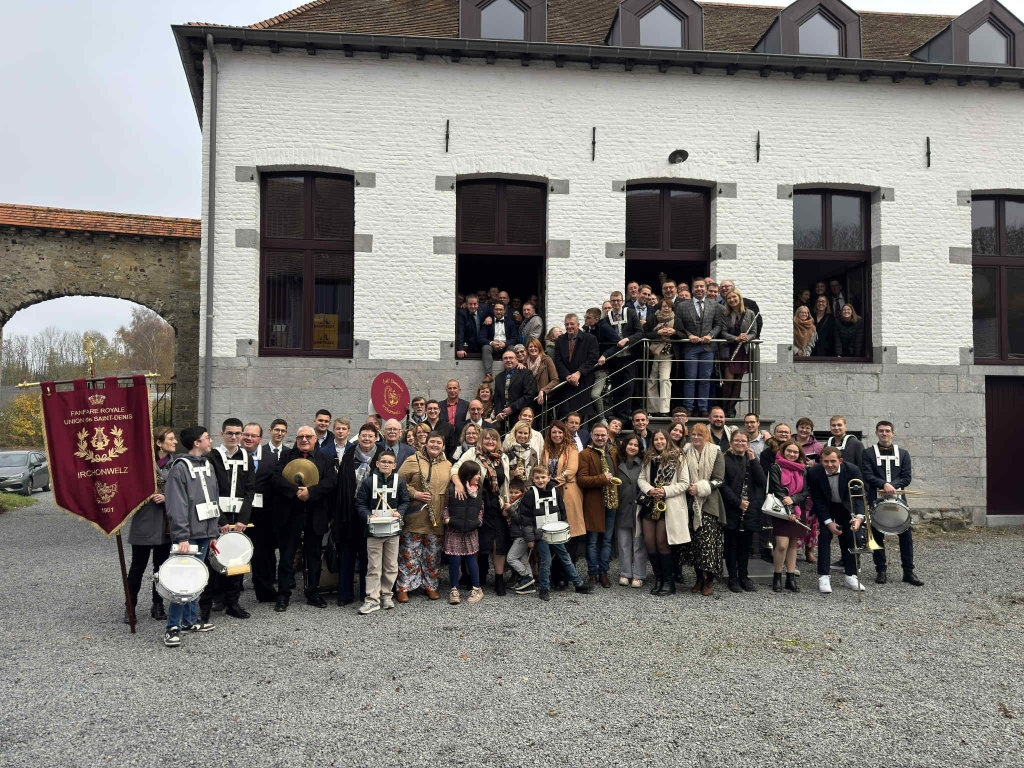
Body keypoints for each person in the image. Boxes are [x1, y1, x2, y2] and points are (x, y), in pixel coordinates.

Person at [162, 426, 220, 646]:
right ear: (197, 442)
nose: (210, 441)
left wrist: (213, 532)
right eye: (207, 438)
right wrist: (182, 537)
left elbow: (213, 498)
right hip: (188, 535)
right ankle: (172, 627)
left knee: (196, 579)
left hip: (205, 532)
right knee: (182, 581)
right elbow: (177, 504)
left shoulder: (207, 464)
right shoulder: (180, 467)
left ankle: (189, 621)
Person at [272, 426, 338, 611]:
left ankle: (313, 593)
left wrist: (311, 492)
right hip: (290, 515)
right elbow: (276, 478)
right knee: (287, 557)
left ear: (315, 439)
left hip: (315, 514)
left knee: (314, 556)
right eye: (300, 436)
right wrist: (295, 492)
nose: (304, 439)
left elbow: (331, 481)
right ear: (296, 439)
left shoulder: (325, 459)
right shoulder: (286, 456)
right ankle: (283, 595)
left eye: (308, 436)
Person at [201, 418, 256, 621]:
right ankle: (211, 601)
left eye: (237, 433)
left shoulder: (246, 456)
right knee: (213, 559)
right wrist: (221, 520)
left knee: (237, 558)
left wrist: (243, 519)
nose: (234, 437)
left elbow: (250, 490)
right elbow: (208, 490)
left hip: (238, 518)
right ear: (222, 434)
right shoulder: (211, 457)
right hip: (217, 517)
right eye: (230, 433)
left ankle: (233, 602)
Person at [517, 465, 594, 601]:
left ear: (548, 478)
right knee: (546, 560)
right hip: (540, 534)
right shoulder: (529, 495)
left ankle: (578, 584)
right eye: (537, 478)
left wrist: (565, 528)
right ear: (533, 479)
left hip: (556, 532)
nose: (540, 480)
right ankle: (544, 588)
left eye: (543, 477)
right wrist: (530, 538)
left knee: (565, 557)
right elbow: (526, 519)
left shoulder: (555, 491)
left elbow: (562, 511)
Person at [450, 428, 512, 595]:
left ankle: (499, 579)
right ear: (481, 440)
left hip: (497, 505)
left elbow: (505, 483)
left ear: (498, 442)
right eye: (487, 438)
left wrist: (507, 503)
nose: (490, 441)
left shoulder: (503, 457)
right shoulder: (472, 454)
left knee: (498, 543)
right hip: (477, 503)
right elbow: (455, 469)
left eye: (494, 439)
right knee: (476, 543)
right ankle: (473, 579)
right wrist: (458, 484)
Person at [862, 421, 923, 587]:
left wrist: (891, 486)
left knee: (905, 535)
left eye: (887, 431)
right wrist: (883, 484)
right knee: (877, 535)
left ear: (892, 433)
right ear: (876, 433)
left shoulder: (903, 454)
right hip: (876, 499)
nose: (884, 433)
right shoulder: (867, 453)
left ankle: (908, 572)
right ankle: (881, 570)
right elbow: (867, 474)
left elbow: (906, 477)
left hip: (899, 500)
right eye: (881, 431)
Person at [125, 426, 175, 624]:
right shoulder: (141, 465)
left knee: (161, 567)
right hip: (144, 520)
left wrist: (167, 497)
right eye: (170, 439)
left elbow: (184, 491)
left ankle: (158, 604)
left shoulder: (177, 464)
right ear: (159, 443)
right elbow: (128, 489)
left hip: (166, 523)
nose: (175, 442)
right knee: (137, 567)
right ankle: (130, 606)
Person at [355, 449, 412, 614]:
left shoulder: (399, 482)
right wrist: (367, 515)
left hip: (392, 531)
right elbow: (360, 502)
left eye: (390, 462)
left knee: (391, 565)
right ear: (377, 463)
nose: (386, 465)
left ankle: (386, 595)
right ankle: (372, 599)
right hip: (374, 531)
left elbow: (405, 501)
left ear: (394, 465)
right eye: (383, 462)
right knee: (374, 566)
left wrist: (400, 512)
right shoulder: (369, 482)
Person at [396, 431, 450, 602]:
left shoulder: (448, 465)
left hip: (436, 519)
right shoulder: (412, 460)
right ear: (426, 443)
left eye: (439, 443)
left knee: (432, 556)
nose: (435, 445)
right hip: (415, 517)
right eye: (432, 442)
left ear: (443, 446)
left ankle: (430, 586)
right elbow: (398, 481)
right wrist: (415, 493)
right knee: (409, 554)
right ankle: (404, 587)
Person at [637, 429, 690, 596]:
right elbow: (641, 479)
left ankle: (669, 582)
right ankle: (658, 579)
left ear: (667, 440)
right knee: (649, 542)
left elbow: (684, 483)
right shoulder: (649, 458)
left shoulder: (679, 457)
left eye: (662, 439)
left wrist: (665, 491)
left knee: (662, 542)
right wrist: (650, 490)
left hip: (669, 506)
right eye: (656, 439)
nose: (659, 442)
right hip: (650, 504)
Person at [808, 446, 866, 594]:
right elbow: (818, 500)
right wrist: (828, 522)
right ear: (821, 461)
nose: (829, 465)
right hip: (827, 507)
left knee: (854, 537)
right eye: (826, 461)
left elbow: (859, 496)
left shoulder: (852, 470)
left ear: (840, 460)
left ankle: (851, 575)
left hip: (847, 507)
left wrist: (859, 518)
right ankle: (824, 575)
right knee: (824, 537)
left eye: (833, 461)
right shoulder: (814, 472)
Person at [334, 424, 377, 606]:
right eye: (364, 435)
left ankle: (367, 594)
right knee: (347, 554)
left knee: (369, 556)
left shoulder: (380, 456)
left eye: (370, 436)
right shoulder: (349, 455)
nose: (366, 439)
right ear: (358, 437)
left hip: (371, 513)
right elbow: (341, 485)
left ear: (376, 438)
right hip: (349, 512)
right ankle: (344, 594)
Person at [720, 431, 766, 593]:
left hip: (749, 508)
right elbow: (722, 484)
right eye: (737, 441)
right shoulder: (724, 459)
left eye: (743, 441)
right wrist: (737, 502)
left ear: (748, 443)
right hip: (732, 507)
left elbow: (762, 481)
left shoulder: (751, 459)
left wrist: (753, 461)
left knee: (745, 546)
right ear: (731, 443)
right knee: (731, 545)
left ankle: (744, 577)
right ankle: (733, 578)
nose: (740, 444)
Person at [683, 424, 725, 596]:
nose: (696, 437)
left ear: (706, 436)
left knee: (708, 543)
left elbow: (719, 479)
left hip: (710, 502)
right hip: (691, 502)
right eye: (693, 434)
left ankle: (710, 580)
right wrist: (688, 487)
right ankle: (699, 578)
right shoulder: (686, 452)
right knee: (695, 544)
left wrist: (699, 488)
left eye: (699, 435)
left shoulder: (716, 452)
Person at [241, 422, 280, 604]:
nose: (249, 438)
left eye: (253, 436)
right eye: (246, 434)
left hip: (262, 515)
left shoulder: (271, 458)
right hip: (237, 514)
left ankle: (264, 591)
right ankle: (228, 594)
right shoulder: (233, 456)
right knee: (235, 552)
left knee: (262, 554)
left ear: (260, 439)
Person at [674, 278, 726, 417]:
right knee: (690, 378)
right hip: (690, 347)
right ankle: (689, 408)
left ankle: (703, 408)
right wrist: (689, 335)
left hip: (708, 347)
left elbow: (718, 324)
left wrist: (711, 335)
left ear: (705, 289)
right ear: (692, 289)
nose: (699, 289)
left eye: (702, 286)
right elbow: (678, 325)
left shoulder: (714, 305)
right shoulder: (682, 306)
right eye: (696, 286)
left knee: (705, 378)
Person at [541, 420, 585, 582]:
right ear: (550, 434)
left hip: (567, 492)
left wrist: (552, 482)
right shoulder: (546, 449)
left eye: (560, 432)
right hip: (550, 495)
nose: (557, 435)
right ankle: (555, 575)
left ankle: (567, 576)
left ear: (564, 433)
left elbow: (571, 470)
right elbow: (542, 468)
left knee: (569, 534)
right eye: (554, 432)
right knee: (553, 533)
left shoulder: (571, 448)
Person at [578, 424, 619, 587]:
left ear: (608, 436)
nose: (600, 438)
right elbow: (581, 479)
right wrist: (602, 479)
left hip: (611, 503)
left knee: (607, 540)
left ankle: (603, 572)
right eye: (597, 435)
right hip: (594, 504)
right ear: (591, 436)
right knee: (592, 541)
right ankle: (592, 573)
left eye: (603, 435)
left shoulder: (613, 452)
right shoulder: (584, 454)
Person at [768, 440, 812, 593]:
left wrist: (794, 500)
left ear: (800, 454)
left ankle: (790, 578)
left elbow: (806, 491)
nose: (792, 454)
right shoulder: (776, 467)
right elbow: (777, 489)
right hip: (781, 509)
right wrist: (790, 510)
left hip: (798, 508)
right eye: (789, 451)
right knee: (781, 545)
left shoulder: (803, 470)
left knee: (793, 544)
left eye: (795, 452)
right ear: (783, 451)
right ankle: (777, 577)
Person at [443, 461, 486, 604]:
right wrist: (447, 520)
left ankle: (477, 589)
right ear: (468, 474)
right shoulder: (451, 489)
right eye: (476, 474)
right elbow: (445, 506)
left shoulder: (478, 491)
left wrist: (478, 521)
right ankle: (454, 589)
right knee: (454, 559)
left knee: (471, 559)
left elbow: (481, 509)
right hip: (454, 530)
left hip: (471, 530)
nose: (478, 477)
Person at [605, 290, 645, 420]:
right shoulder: (607, 318)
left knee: (628, 386)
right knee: (616, 386)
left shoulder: (631, 313)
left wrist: (627, 340)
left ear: (622, 301)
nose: (616, 303)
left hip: (629, 356)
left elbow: (640, 333)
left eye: (618, 300)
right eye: (613, 301)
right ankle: (617, 414)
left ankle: (624, 416)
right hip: (615, 358)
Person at [553, 313, 600, 420]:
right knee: (565, 416)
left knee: (580, 416)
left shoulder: (590, 339)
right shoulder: (560, 340)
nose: (569, 326)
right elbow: (558, 361)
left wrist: (578, 373)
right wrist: (567, 376)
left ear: (578, 325)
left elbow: (592, 358)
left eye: (572, 324)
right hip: (566, 383)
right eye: (567, 324)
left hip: (583, 381)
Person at [615, 435, 647, 588]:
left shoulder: (644, 465)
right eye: (630, 444)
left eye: (636, 445)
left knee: (638, 543)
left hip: (638, 509)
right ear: (625, 445)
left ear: (639, 448)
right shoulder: (617, 463)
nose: (632, 447)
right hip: (622, 508)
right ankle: (625, 573)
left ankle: (639, 575)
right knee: (623, 543)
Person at [720, 288, 758, 417]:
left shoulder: (750, 313)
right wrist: (735, 338)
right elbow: (723, 332)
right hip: (730, 350)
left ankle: (731, 408)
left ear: (739, 297)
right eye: (729, 298)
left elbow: (754, 332)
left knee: (737, 381)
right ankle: (723, 407)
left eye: (734, 297)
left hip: (743, 350)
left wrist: (747, 337)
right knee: (728, 380)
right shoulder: (725, 314)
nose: (732, 300)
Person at [583, 307, 618, 420]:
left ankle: (602, 419)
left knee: (594, 394)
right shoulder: (586, 329)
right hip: (589, 369)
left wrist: (605, 355)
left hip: (601, 368)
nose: (586, 320)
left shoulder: (604, 328)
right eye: (585, 317)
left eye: (589, 318)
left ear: (596, 319)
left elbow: (617, 343)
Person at [491, 349, 538, 429]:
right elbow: (497, 397)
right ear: (502, 361)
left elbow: (529, 395)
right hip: (505, 419)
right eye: (505, 358)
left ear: (516, 360)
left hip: (522, 417)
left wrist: (512, 408)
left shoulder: (526, 373)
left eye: (511, 358)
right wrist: (498, 412)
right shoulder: (498, 377)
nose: (508, 360)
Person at [646, 298, 676, 417]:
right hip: (653, 354)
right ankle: (653, 409)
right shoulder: (653, 318)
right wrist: (657, 333)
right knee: (652, 381)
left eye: (669, 307)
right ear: (660, 307)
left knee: (664, 380)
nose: (666, 308)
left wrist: (674, 332)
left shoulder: (676, 319)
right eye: (664, 306)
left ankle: (664, 410)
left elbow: (683, 333)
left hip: (667, 355)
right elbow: (645, 333)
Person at [504, 478, 534, 592]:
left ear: (522, 492)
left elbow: (520, 519)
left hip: (522, 535)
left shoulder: (521, 503)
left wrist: (510, 510)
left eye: (516, 492)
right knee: (523, 560)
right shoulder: (513, 503)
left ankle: (527, 577)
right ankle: (529, 585)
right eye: (511, 492)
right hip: (518, 535)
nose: (513, 495)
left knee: (511, 558)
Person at [480, 300, 518, 380]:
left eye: (500, 309)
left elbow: (515, 338)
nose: (498, 312)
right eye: (496, 309)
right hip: (492, 346)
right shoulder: (488, 322)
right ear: (493, 310)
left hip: (506, 346)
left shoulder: (511, 322)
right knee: (486, 348)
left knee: (512, 348)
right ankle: (488, 375)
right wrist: (492, 343)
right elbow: (481, 338)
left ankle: (509, 374)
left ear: (504, 311)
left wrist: (505, 344)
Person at [525, 337, 559, 410]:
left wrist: (543, 390)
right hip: (529, 399)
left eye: (535, 346)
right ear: (527, 349)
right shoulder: (524, 363)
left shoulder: (547, 360)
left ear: (539, 348)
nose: (533, 348)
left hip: (545, 398)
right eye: (530, 347)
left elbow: (555, 380)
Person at [505, 420, 540, 487]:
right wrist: (513, 473)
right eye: (520, 432)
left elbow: (535, 473)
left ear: (529, 435)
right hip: (512, 488)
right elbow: (502, 473)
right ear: (515, 433)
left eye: (525, 433)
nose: (522, 436)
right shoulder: (508, 451)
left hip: (529, 489)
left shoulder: (533, 452)